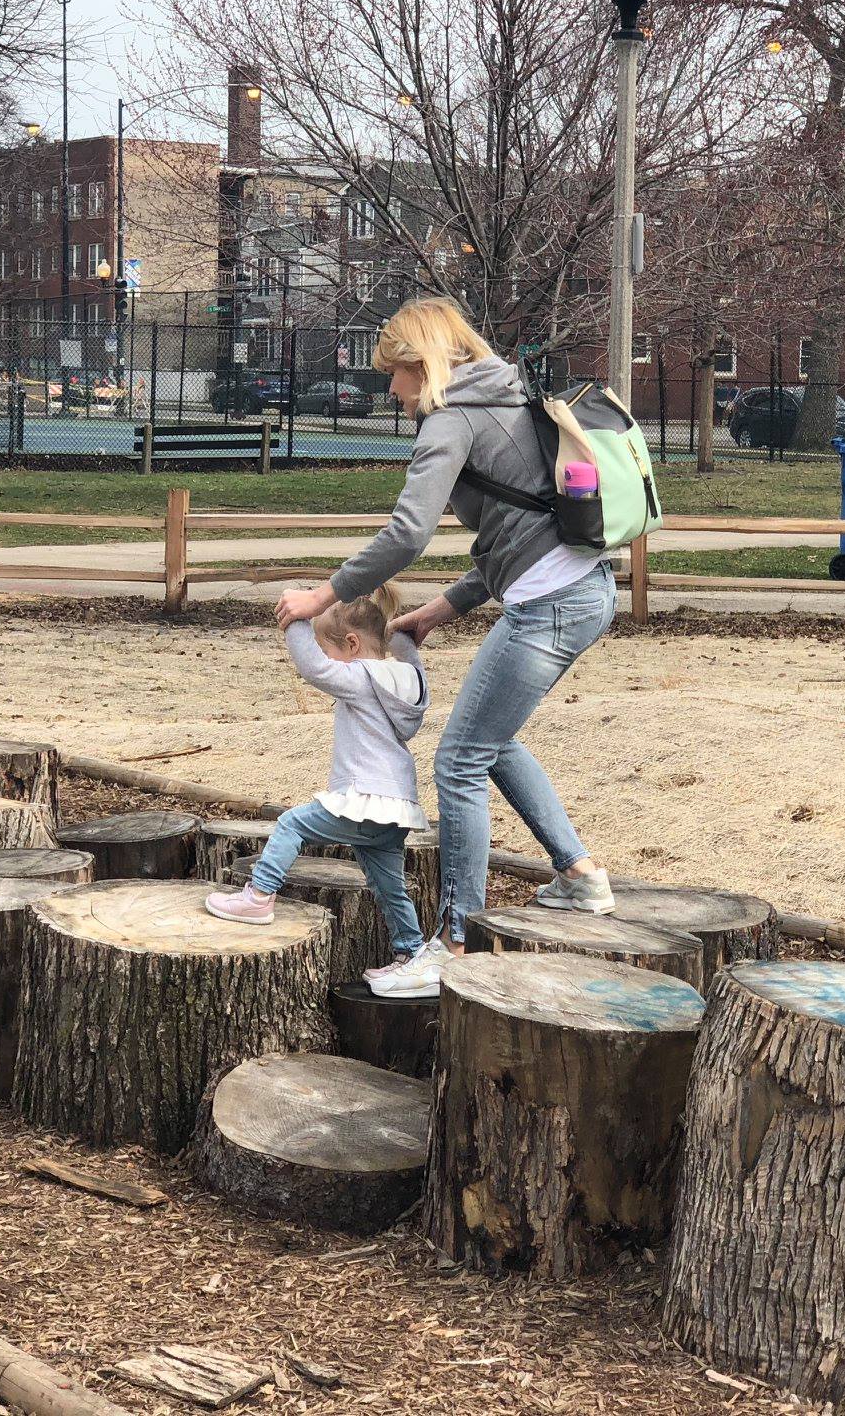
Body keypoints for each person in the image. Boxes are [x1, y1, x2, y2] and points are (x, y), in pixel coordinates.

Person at [273, 297, 615, 992]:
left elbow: (407, 532)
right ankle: (579, 874)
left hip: (550, 606)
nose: (391, 391)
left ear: (420, 364)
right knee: (491, 741)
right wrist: (439, 610)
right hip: (584, 590)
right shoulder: (504, 398)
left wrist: (322, 597)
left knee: (459, 760)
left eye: (393, 374)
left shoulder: (450, 418)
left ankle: (452, 945)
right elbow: (519, 532)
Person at [207, 585, 435, 995]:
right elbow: (408, 656)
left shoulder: (361, 677)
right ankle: (411, 950)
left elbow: (313, 668)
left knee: (292, 824)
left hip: (365, 799)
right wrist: (401, 638)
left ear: (352, 644)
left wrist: (295, 618)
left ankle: (258, 896)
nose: (328, 660)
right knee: (389, 886)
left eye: (329, 649)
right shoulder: (406, 678)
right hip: (397, 807)